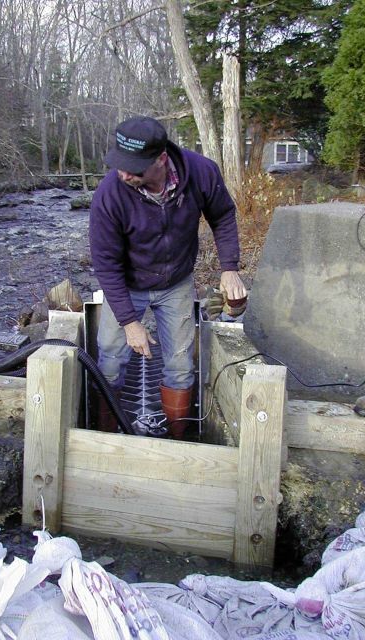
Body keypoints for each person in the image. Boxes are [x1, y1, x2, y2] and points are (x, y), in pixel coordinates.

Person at [89, 115, 246, 438]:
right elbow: (106, 264)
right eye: (120, 164)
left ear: (161, 160)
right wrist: (131, 323)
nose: (123, 174)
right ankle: (104, 434)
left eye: (134, 168)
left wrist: (229, 267)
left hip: (175, 282)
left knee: (179, 366)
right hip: (128, 285)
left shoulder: (201, 172)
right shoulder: (110, 193)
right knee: (110, 360)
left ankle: (178, 439)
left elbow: (223, 215)